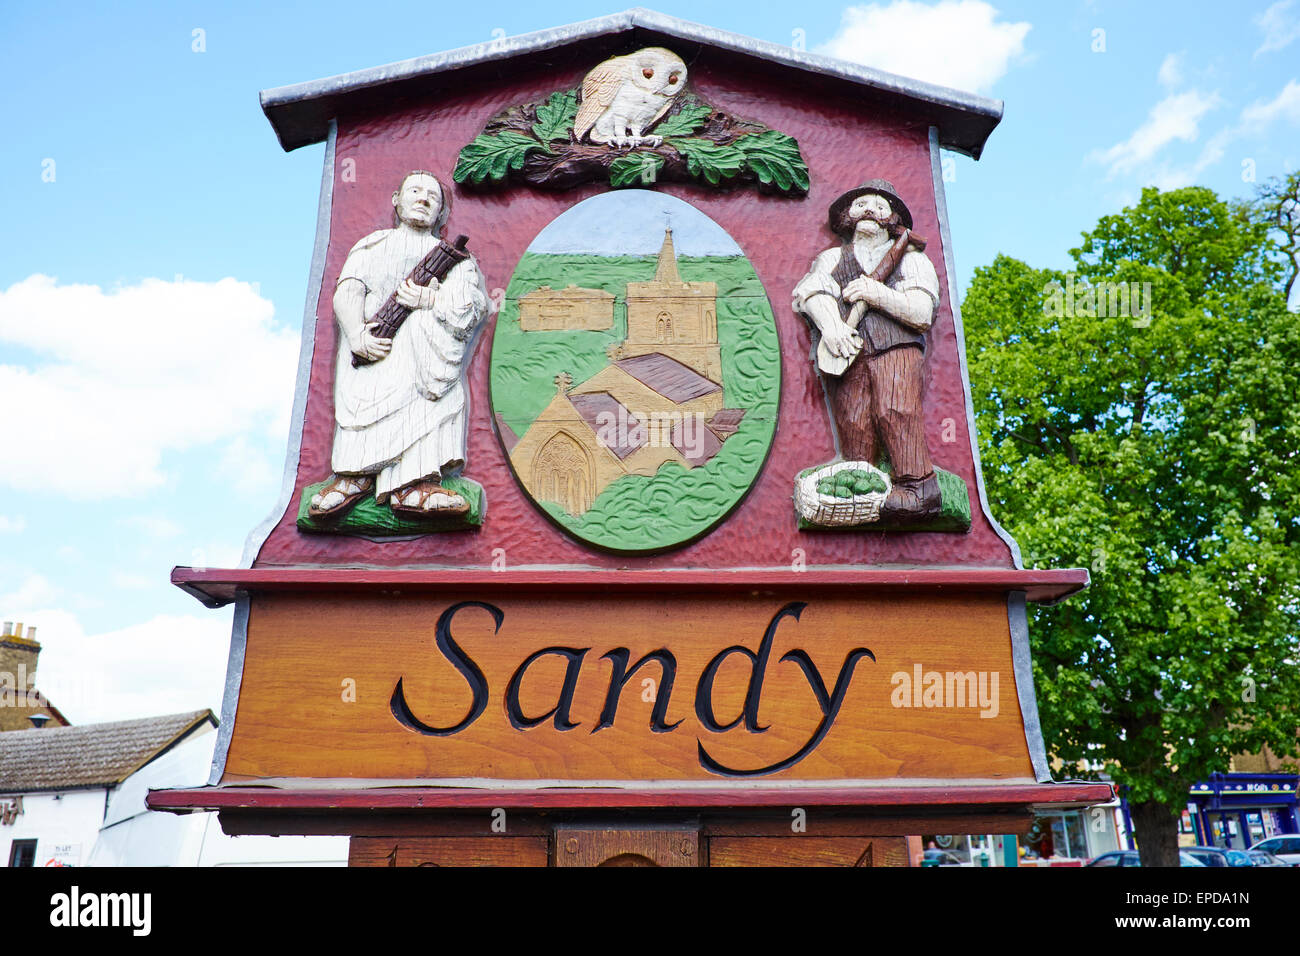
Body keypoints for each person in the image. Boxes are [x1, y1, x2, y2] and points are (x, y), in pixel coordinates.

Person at [309, 171, 489, 518]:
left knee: (428, 408)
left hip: (427, 361)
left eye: (432, 197)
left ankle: (415, 485)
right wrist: (358, 335)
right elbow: (348, 291)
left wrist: (430, 301)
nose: (423, 199)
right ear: (396, 199)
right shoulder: (373, 245)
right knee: (364, 410)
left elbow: (472, 307)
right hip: (377, 355)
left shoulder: (456, 260)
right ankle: (353, 478)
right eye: (415, 191)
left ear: (442, 214)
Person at [792, 179, 943, 523]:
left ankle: (918, 488)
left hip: (895, 349)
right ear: (847, 216)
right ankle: (863, 488)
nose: (870, 210)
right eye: (861, 205)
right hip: (846, 355)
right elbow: (811, 291)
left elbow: (921, 312)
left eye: (879, 205)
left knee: (895, 409)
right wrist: (830, 325)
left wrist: (877, 294)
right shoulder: (832, 257)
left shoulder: (912, 259)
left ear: (893, 218)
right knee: (854, 421)